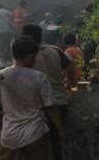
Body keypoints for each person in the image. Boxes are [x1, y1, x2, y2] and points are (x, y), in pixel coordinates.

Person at [0, 37, 65, 160]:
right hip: (36, 133)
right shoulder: (39, 77)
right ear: (29, 56)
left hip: (10, 135)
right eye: (34, 56)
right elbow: (50, 107)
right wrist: (60, 130)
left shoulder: (0, 75)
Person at [22, 25, 74, 160]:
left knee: (41, 148)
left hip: (41, 105)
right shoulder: (55, 50)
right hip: (61, 101)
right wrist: (69, 84)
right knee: (57, 144)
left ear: (26, 38)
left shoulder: (27, 57)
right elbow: (71, 67)